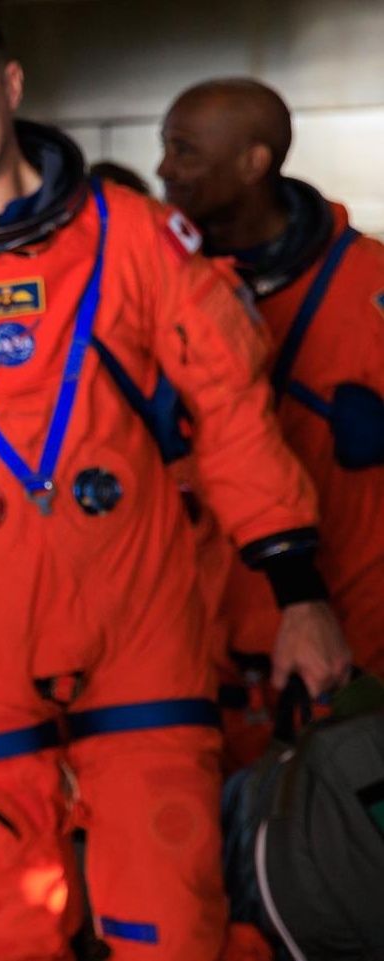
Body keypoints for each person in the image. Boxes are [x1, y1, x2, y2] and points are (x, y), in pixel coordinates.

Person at [0, 3, 349, 959]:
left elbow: (238, 418)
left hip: (141, 642)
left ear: (9, 87)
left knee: (172, 923)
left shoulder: (140, 240)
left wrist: (299, 595)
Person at [158, 78, 384, 760]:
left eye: (185, 151)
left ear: (254, 163)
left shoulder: (367, 286)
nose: (165, 170)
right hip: (194, 644)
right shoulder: (147, 282)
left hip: (352, 638)